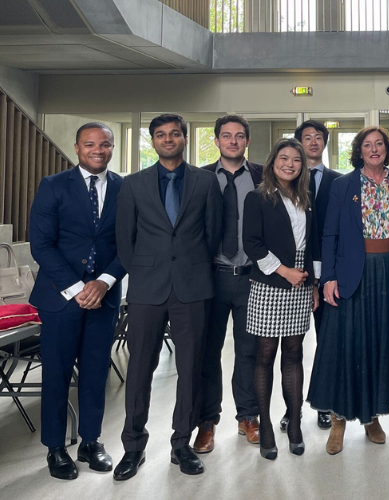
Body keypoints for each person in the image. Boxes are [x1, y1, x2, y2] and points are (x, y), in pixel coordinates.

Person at [114, 114, 222, 480]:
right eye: (160, 135)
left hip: (193, 287)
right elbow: (124, 239)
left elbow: (214, 234)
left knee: (190, 369)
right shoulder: (133, 185)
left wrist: (192, 267)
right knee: (140, 367)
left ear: (185, 138)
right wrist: (143, 273)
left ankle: (181, 444)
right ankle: (132, 447)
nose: (168, 139)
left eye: (174, 133)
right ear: (153, 141)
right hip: (147, 288)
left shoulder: (206, 182)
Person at [308, 126, 389, 455]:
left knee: (381, 342)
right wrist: (327, 277)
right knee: (347, 345)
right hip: (353, 272)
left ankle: (371, 416)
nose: (374, 149)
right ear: (359, 151)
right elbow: (329, 235)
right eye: (367, 145)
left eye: (379, 144)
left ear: (387, 148)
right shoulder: (343, 184)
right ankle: (339, 420)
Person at [29, 123, 126, 480]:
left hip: (104, 296)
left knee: (96, 373)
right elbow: (41, 244)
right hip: (60, 298)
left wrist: (102, 282)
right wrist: (77, 288)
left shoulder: (123, 188)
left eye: (105, 144)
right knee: (55, 374)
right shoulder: (53, 186)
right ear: (77, 147)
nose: (97, 150)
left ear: (113, 148)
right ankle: (55, 448)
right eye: (90, 144)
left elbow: (128, 243)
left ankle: (90, 441)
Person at [242, 138, 320, 460]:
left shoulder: (307, 198)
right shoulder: (257, 197)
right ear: (272, 161)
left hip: (301, 285)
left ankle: (296, 424)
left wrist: (312, 283)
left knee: (294, 353)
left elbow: (311, 244)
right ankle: (267, 428)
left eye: (297, 160)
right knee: (265, 355)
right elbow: (252, 244)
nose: (290, 164)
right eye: (284, 158)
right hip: (270, 283)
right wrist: (284, 271)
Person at [194, 114, 264, 453]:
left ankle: (248, 416)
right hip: (211, 279)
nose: (233, 141)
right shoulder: (200, 177)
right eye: (226, 136)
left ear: (246, 141)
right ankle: (206, 421)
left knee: (248, 352)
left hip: (252, 278)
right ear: (217, 141)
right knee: (208, 352)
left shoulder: (264, 176)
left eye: (239, 136)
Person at [296, 119, 341, 432]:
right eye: (307, 137)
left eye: (318, 137)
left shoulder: (340, 181)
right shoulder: (285, 179)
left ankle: (325, 404)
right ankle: (291, 407)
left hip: (328, 275)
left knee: (328, 343)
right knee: (291, 347)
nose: (313, 142)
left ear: (325, 142)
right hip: (292, 274)